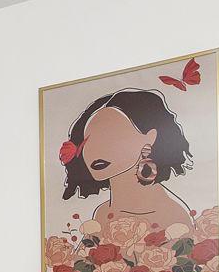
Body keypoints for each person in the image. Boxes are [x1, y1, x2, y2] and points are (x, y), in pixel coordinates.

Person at [57, 88, 194, 235]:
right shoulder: (102, 213)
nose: (96, 150)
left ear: (150, 138)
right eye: (88, 142)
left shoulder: (173, 218)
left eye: (112, 137)